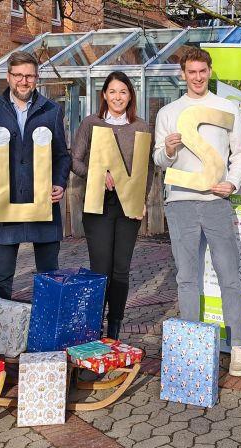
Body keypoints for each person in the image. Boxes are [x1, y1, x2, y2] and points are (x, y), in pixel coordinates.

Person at [153, 47, 241, 376]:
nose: (197, 77)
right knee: (186, 278)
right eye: (191, 72)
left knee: (229, 275)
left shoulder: (227, 109)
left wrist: (234, 182)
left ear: (209, 71)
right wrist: (167, 149)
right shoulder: (168, 112)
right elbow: (158, 160)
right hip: (179, 202)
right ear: (183, 74)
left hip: (215, 203)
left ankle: (238, 346)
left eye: (202, 71)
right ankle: (191, 348)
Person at [0, 51, 72, 301]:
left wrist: (60, 183)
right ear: (8, 76)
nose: (23, 81)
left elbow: (61, 155)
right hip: (6, 202)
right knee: (2, 274)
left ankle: (47, 333)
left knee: (49, 274)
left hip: (43, 204)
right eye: (18, 75)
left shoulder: (52, 110)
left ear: (36, 78)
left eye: (29, 76)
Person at [71, 71, 154, 339]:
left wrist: (142, 200)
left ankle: (114, 324)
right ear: (104, 95)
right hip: (98, 204)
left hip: (128, 204)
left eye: (123, 92)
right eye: (113, 92)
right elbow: (75, 160)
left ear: (130, 96)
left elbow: (148, 167)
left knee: (121, 268)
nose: (118, 97)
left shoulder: (141, 126)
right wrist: (98, 173)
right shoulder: (90, 124)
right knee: (101, 267)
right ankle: (94, 322)